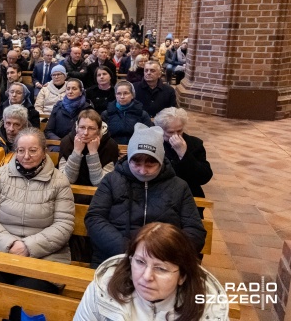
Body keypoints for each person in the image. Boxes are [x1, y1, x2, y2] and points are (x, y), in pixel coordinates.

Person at [85, 123, 207, 267]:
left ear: (161, 161)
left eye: (150, 164)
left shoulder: (179, 187)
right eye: (136, 163)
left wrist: (163, 253)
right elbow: (94, 218)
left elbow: (195, 230)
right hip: (116, 257)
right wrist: (129, 251)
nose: (142, 171)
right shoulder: (112, 180)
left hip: (164, 260)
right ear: (129, 158)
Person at [0, 127, 74, 294]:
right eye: (21, 150)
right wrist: (10, 244)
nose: (26, 156)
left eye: (33, 150)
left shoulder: (59, 181)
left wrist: (28, 246)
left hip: (44, 255)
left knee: (29, 292)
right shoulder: (0, 175)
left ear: (44, 151)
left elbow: (63, 226)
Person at [73, 222, 229, 321]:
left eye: (161, 268)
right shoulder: (103, 289)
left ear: (182, 276)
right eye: (140, 262)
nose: (147, 277)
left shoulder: (208, 309)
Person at [154, 107, 213, 199]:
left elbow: (204, 177)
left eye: (179, 131)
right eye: (170, 132)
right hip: (160, 194)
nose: (176, 135)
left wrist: (184, 154)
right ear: (160, 130)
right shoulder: (154, 143)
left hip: (187, 194)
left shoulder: (195, 144)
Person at [59, 109, 119, 187]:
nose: (85, 133)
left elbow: (100, 183)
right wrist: (76, 152)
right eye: (82, 127)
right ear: (77, 128)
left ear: (99, 130)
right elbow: (66, 180)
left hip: (100, 195)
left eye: (91, 128)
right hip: (70, 192)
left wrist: (93, 153)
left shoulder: (110, 145)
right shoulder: (66, 142)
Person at [44, 79, 94, 146]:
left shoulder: (87, 109)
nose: (70, 92)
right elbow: (48, 131)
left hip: (79, 144)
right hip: (58, 144)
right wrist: (60, 142)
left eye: (74, 89)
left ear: (81, 92)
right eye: (68, 89)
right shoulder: (58, 107)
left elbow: (89, 132)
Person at [101, 81, 153, 145]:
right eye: (119, 94)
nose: (122, 97)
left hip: (136, 149)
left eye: (126, 93)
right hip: (112, 148)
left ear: (132, 95)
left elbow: (148, 136)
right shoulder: (106, 114)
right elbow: (102, 136)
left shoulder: (142, 114)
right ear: (115, 95)